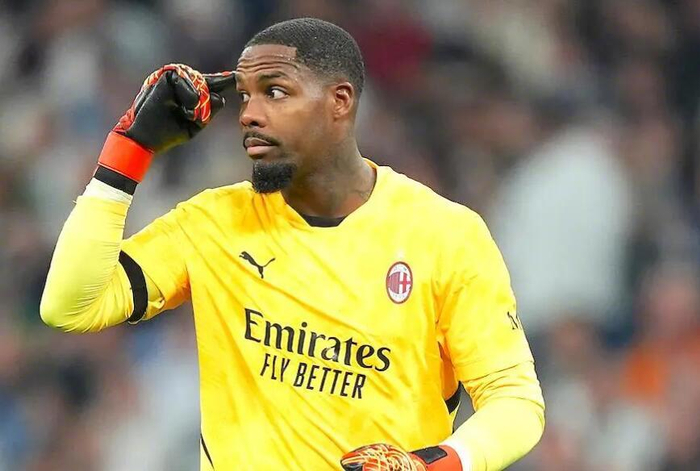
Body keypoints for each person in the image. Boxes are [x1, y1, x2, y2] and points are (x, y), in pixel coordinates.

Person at [41, 18, 544, 471]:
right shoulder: (214, 221)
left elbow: (515, 402)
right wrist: (129, 150)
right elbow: (70, 306)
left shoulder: (446, 235)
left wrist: (431, 466)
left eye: (275, 92)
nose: (249, 114)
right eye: (245, 96)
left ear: (340, 101)